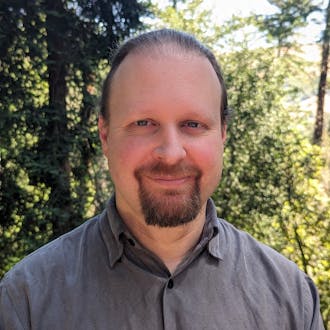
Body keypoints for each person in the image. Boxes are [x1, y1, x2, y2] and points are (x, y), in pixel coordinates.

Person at [0, 29, 324, 330]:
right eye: (143, 122)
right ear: (105, 136)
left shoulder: (291, 299)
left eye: (193, 124)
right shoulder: (25, 303)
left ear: (223, 134)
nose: (171, 153)